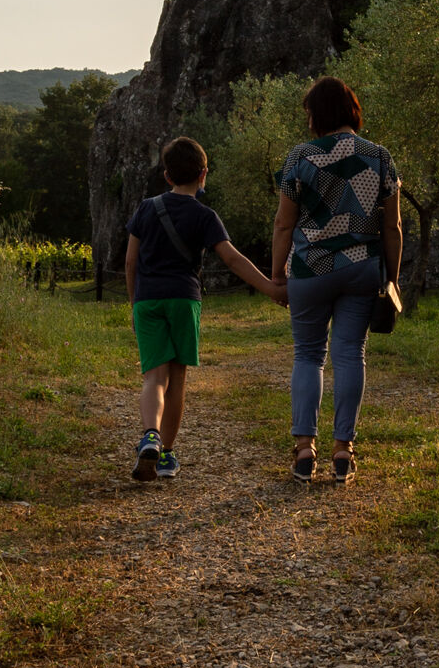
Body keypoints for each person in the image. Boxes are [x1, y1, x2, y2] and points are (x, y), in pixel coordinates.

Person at [271, 76, 402, 482]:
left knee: (308, 355)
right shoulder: (379, 156)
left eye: (309, 112)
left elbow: (283, 224)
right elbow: (393, 226)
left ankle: (304, 448)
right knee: (350, 354)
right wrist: (392, 279)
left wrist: (278, 276)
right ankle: (343, 449)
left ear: (318, 114)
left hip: (311, 268)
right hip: (362, 266)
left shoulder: (300, 157)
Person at [125, 135, 276, 483]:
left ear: (167, 175)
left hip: (147, 300)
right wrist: (269, 287)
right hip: (183, 299)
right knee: (177, 378)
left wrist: (135, 304)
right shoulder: (205, 216)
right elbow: (232, 259)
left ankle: (150, 435)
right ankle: (166, 456)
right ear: (203, 174)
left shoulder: (146, 208)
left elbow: (130, 261)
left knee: (153, 377)